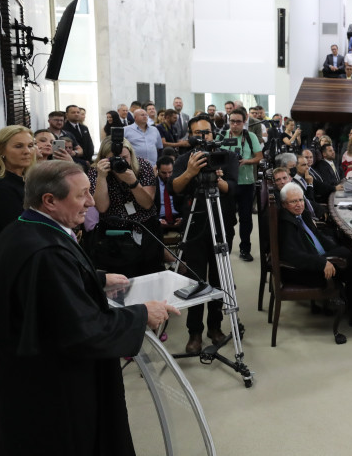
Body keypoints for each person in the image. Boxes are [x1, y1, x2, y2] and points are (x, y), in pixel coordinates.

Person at [0, 160, 178, 456]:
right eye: (81, 194)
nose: (90, 202)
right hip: (56, 389)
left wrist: (95, 277)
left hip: (24, 379)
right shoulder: (46, 253)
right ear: (49, 200)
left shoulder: (22, 229)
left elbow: (44, 290)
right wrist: (141, 315)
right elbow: (82, 330)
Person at [172, 115, 239, 354]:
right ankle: (195, 332)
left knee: (219, 278)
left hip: (221, 222)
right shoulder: (183, 160)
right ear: (190, 136)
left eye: (207, 133)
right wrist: (190, 172)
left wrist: (217, 178)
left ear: (214, 133)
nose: (203, 138)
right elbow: (175, 188)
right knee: (196, 280)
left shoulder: (227, 156)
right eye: (197, 134)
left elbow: (232, 189)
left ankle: (215, 326)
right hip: (195, 225)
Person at [277, 183, 352, 326]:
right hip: (306, 270)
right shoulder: (285, 224)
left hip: (318, 258)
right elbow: (292, 255)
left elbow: (319, 238)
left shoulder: (303, 215)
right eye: (293, 201)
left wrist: (336, 250)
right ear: (284, 204)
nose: (299, 204)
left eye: (300, 200)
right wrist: (323, 263)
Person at [86, 134, 162, 278]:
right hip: (113, 234)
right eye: (114, 159)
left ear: (131, 154)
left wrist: (133, 182)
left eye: (124, 158)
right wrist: (102, 177)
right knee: (120, 281)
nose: (120, 162)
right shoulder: (96, 171)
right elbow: (101, 208)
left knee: (149, 275)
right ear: (103, 158)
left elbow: (147, 204)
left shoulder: (143, 165)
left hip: (145, 228)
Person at [218, 108, 263, 262]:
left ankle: (245, 249)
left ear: (244, 122)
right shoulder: (222, 136)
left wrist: (246, 161)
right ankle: (226, 248)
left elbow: (259, 156)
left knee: (246, 218)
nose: (235, 125)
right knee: (227, 217)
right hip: (227, 184)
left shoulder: (250, 137)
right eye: (232, 121)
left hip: (246, 182)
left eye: (238, 121)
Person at [0, 125, 36, 243]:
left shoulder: (27, 180)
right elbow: (18, 231)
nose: (27, 151)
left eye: (30, 146)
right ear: (0, 150)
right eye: (18, 146)